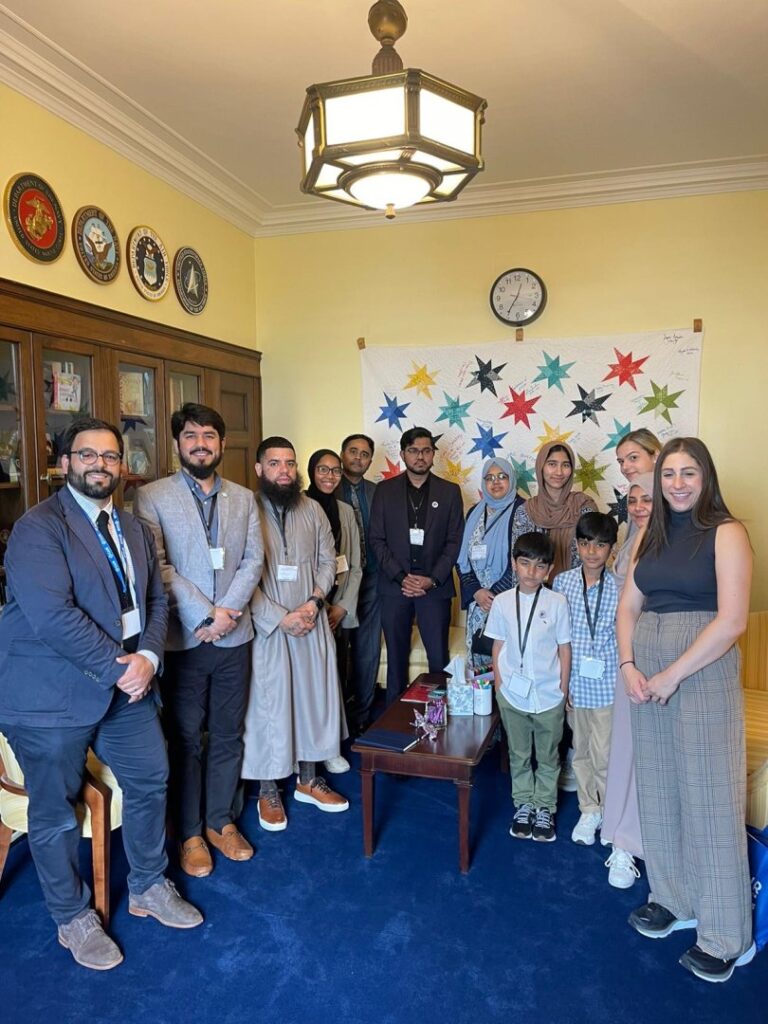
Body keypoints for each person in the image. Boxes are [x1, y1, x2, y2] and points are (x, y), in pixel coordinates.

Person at [0, 417, 201, 971]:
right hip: (51, 695)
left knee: (151, 778)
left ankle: (148, 886)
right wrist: (124, 668)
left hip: (125, 683)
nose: (99, 464)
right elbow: (52, 618)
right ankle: (71, 917)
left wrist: (151, 659)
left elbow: (157, 601)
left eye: (110, 456)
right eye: (86, 455)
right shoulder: (38, 528)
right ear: (64, 464)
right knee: (56, 813)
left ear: (122, 466)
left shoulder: (134, 528)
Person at [617, 438, 755, 983]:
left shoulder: (727, 532)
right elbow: (630, 604)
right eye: (668, 473)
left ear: (706, 477)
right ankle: (673, 898)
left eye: (688, 473)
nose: (676, 482)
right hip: (645, 677)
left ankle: (724, 934)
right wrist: (629, 664)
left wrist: (672, 674)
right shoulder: (648, 533)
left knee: (710, 794)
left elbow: (733, 620)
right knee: (659, 786)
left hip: (699, 675)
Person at [135, 403, 263, 878]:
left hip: (235, 637)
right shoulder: (151, 497)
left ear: (222, 444)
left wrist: (227, 613)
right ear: (178, 444)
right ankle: (189, 832)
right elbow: (158, 566)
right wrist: (207, 613)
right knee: (185, 737)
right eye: (191, 435)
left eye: (209, 435)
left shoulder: (244, 498)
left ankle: (220, 823)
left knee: (228, 733)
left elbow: (253, 560)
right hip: (183, 639)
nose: (201, 443)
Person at [242, 436, 349, 831]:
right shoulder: (245, 509)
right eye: (274, 463)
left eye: (289, 463)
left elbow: (327, 559)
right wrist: (277, 616)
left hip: (310, 621)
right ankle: (269, 789)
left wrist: (314, 603)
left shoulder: (313, 510)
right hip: (267, 627)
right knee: (269, 705)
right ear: (259, 469)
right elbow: (238, 574)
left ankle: (308, 778)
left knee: (312, 699)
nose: (284, 471)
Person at [485, 532, 571, 843]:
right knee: (518, 753)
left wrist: (563, 689)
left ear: (549, 570)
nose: (531, 572)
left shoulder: (557, 602)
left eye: (539, 566)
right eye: (525, 564)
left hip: (549, 695)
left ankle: (545, 807)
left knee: (548, 755)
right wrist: (500, 684)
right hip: (512, 694)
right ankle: (523, 803)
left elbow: (564, 648)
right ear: (514, 564)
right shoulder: (504, 603)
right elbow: (498, 645)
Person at [369, 427, 464, 704]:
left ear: (433, 454)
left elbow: (454, 541)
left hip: (434, 590)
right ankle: (393, 723)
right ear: (403, 454)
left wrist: (431, 580)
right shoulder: (385, 491)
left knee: (438, 660)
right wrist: (401, 578)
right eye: (413, 450)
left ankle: (440, 718)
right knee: (396, 658)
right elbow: (377, 539)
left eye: (425, 450)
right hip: (394, 588)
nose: (420, 456)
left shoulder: (449, 492)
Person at [600, 471, 655, 888]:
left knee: (651, 752)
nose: (637, 506)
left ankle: (645, 839)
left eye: (646, 500)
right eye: (632, 499)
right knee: (626, 749)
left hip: (655, 654)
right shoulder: (631, 537)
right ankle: (621, 839)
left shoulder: (669, 541)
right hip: (627, 656)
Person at [553, 512, 619, 846]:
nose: (592, 551)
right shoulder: (563, 583)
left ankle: (610, 812)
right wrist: (561, 684)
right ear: (576, 545)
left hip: (607, 686)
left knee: (605, 754)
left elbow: (624, 639)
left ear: (612, 549)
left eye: (601, 545)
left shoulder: (620, 588)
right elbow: (557, 637)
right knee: (580, 752)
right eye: (585, 543)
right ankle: (589, 809)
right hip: (575, 684)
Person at [306, 447, 362, 771]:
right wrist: (314, 604)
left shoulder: (345, 511)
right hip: (306, 608)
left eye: (335, 471)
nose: (329, 476)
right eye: (323, 470)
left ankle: (330, 747)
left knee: (335, 679)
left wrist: (340, 607)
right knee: (308, 683)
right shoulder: (299, 506)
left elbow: (354, 566)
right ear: (312, 472)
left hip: (335, 610)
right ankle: (306, 747)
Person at [457, 457, 524, 670]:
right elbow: (462, 558)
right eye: (490, 478)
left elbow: (524, 559)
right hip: (478, 602)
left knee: (507, 662)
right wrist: (476, 591)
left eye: (502, 477)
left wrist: (495, 596)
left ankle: (504, 704)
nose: (496, 482)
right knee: (479, 664)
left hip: (508, 601)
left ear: (511, 480)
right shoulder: (474, 512)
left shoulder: (523, 511)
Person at [335, 433, 381, 734]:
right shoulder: (326, 488)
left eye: (365, 454)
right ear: (342, 453)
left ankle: (361, 713)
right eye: (353, 451)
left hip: (373, 580)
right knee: (337, 651)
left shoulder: (378, 492)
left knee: (367, 649)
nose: (358, 458)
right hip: (336, 585)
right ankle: (336, 718)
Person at [510, 442, 598, 577]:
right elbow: (519, 563)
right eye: (552, 464)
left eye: (566, 465)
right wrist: (523, 597)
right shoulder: (526, 511)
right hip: (538, 591)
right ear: (541, 467)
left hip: (579, 590)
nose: (559, 472)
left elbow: (595, 554)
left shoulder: (584, 507)